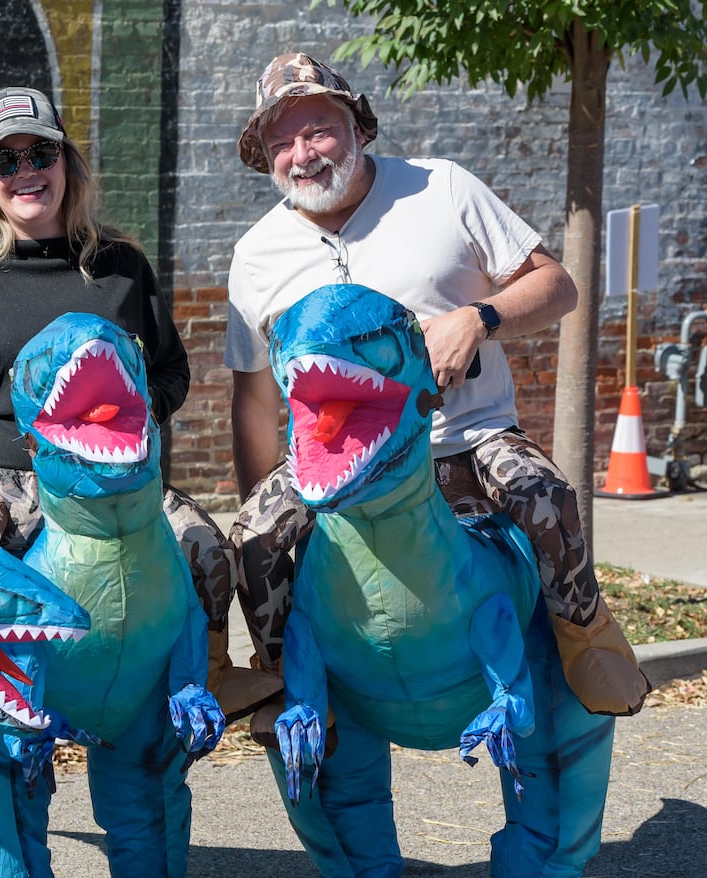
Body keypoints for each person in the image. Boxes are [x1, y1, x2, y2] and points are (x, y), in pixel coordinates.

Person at [225, 52, 650, 716]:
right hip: (338, 459)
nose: (301, 153)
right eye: (281, 141)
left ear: (359, 127)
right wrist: (263, 494)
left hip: (465, 438)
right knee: (251, 537)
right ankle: (281, 678)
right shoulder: (255, 253)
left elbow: (557, 285)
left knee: (547, 494)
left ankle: (584, 630)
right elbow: (253, 397)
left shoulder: (441, 188)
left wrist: (479, 318)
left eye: (318, 131)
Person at [0, 85, 279, 766]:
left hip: (109, 471)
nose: (26, 171)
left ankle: (209, 677)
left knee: (205, 547)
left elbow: (171, 371)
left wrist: (117, 417)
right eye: (5, 162)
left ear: (67, 161)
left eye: (40, 152)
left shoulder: (119, 266)